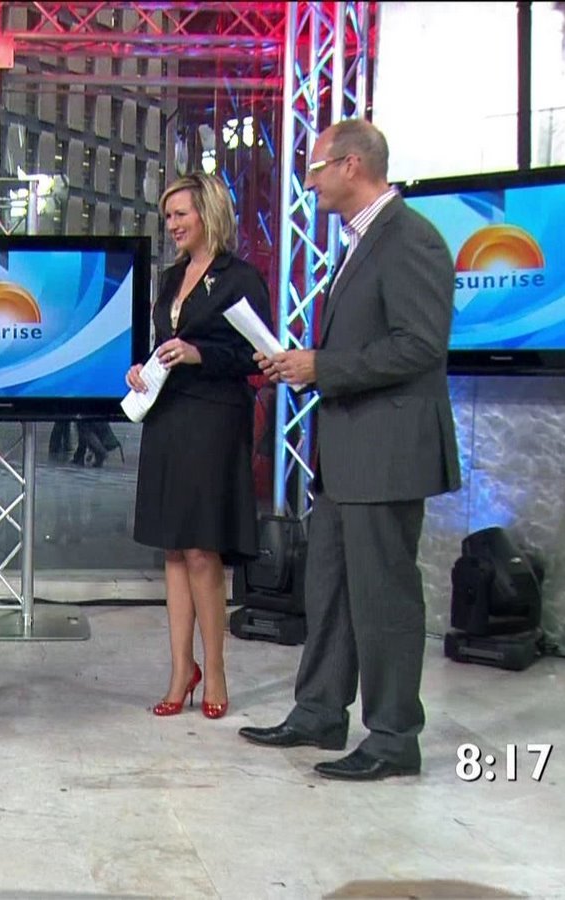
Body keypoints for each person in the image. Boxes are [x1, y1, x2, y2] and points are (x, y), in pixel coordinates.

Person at [240, 119, 461, 781]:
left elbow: (420, 345)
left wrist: (324, 367)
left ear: (352, 165)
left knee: (383, 598)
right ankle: (319, 711)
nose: (308, 183)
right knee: (330, 587)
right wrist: (304, 365)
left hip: (386, 455)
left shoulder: (411, 238)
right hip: (345, 456)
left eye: (315, 169)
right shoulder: (360, 242)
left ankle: (393, 737)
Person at [127, 172, 271, 721]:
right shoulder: (170, 278)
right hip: (167, 416)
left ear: (208, 213)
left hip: (213, 418)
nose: (172, 225)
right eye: (168, 217)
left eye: (180, 214)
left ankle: (216, 670)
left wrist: (200, 354)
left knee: (201, 549)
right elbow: (161, 343)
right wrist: (143, 368)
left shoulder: (241, 279)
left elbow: (258, 356)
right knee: (173, 547)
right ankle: (179, 670)